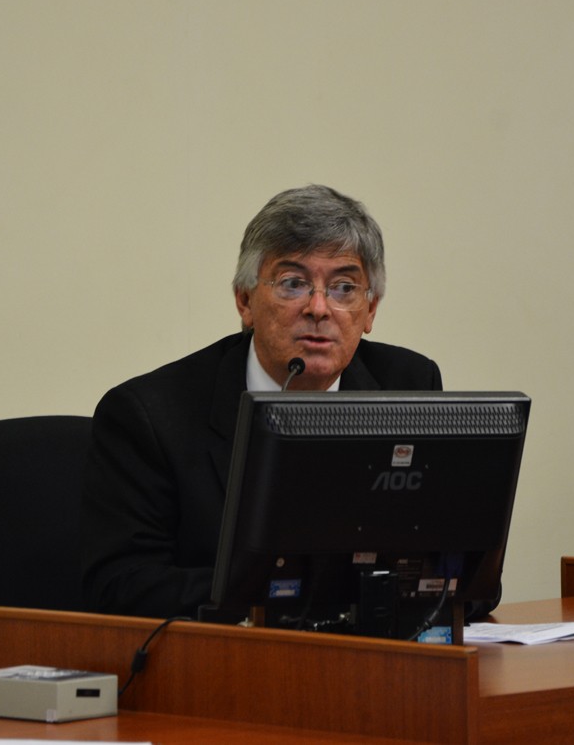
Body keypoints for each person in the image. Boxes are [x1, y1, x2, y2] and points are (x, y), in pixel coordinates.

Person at [80, 185, 442, 618]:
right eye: (293, 284)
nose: (319, 308)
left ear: (371, 309)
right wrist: (283, 591)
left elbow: (459, 570)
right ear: (245, 300)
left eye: (344, 287)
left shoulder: (410, 387)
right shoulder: (150, 415)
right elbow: (121, 586)